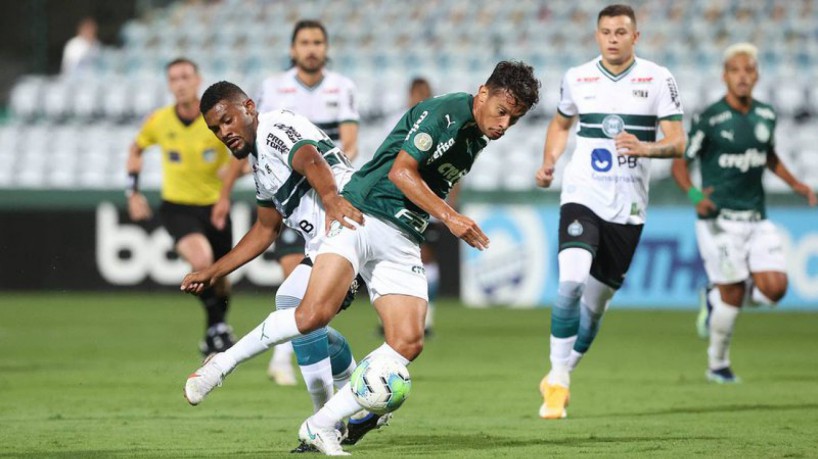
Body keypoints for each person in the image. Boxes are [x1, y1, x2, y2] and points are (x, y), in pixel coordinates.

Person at [184, 61, 540, 455]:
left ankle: (323, 422)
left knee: (408, 342)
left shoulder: (476, 137)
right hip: (361, 213)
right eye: (502, 112)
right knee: (307, 314)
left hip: (401, 232)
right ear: (483, 93)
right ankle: (224, 367)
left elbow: (296, 187)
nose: (505, 124)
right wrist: (449, 217)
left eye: (514, 119)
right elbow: (398, 172)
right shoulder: (445, 112)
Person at [182, 81, 385, 449]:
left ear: (249, 107)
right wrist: (213, 271)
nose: (224, 133)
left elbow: (310, 158)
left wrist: (332, 201)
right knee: (301, 316)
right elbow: (265, 230)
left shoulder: (274, 127)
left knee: (294, 305)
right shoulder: (259, 164)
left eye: (227, 120)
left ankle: (320, 420)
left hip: (350, 228)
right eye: (215, 129)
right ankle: (357, 401)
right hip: (329, 240)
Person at [534, 4, 686, 420]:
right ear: (597, 36)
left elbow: (678, 142)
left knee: (594, 308)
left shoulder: (658, 79)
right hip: (582, 194)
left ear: (635, 37)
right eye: (606, 32)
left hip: (629, 208)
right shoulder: (577, 77)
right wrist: (549, 161)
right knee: (570, 285)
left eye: (621, 32)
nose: (613, 39)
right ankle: (557, 383)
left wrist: (646, 148)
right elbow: (561, 124)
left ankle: (560, 374)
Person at [671, 43, 817, 384]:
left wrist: (797, 184)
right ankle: (717, 364)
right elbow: (680, 164)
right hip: (718, 221)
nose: (742, 77)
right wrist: (694, 194)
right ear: (724, 76)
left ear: (757, 76)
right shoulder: (710, 119)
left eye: (748, 70)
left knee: (775, 289)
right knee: (733, 296)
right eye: (735, 70)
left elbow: (768, 156)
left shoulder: (765, 114)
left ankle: (715, 295)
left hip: (756, 217)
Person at [257, 19, 360, 385]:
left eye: (317, 42)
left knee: (309, 289)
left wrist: (326, 179)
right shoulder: (273, 88)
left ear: (325, 48)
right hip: (292, 197)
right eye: (304, 42)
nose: (311, 49)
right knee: (293, 280)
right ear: (293, 49)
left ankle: (297, 358)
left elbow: (350, 142)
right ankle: (287, 359)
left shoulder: (342, 87)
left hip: (330, 196)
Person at [126, 58, 238, 357]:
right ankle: (218, 330)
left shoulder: (215, 118)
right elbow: (136, 149)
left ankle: (214, 330)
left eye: (186, 77)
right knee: (202, 261)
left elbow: (242, 156)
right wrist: (132, 192)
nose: (180, 84)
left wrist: (229, 181)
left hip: (215, 206)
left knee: (221, 278)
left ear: (198, 80)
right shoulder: (159, 120)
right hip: (177, 207)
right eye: (174, 79)